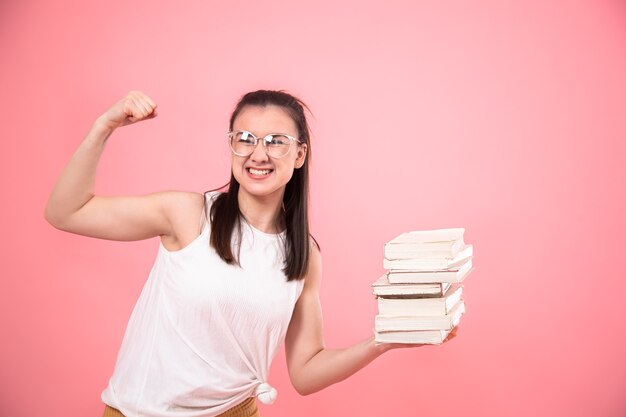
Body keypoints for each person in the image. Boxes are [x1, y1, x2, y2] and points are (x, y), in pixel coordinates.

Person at [45, 90, 455, 417]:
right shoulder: (187, 214)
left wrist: (383, 341)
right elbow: (67, 212)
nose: (258, 153)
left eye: (277, 142)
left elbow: (306, 372)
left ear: (299, 155)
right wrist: (105, 126)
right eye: (245, 139)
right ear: (231, 147)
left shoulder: (304, 256)